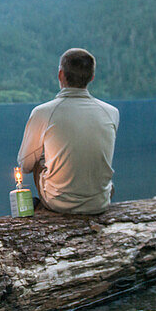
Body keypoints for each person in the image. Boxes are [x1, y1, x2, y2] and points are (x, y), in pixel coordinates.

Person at [17, 48, 119, 214]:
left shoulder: (43, 112)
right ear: (91, 77)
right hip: (99, 202)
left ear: (60, 75)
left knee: (37, 157)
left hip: (59, 204)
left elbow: (25, 165)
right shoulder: (112, 112)